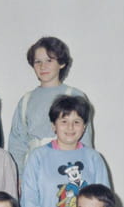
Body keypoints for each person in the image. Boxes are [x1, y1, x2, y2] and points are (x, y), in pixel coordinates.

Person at [21, 95, 110, 207]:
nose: (70, 127)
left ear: (84, 126)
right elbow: (29, 203)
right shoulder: (38, 157)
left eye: (76, 122)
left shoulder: (93, 158)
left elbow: (104, 205)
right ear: (53, 125)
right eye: (64, 121)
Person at [8, 36, 94, 175]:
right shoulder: (26, 100)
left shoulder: (75, 96)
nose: (43, 66)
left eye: (49, 60)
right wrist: (18, 176)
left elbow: (85, 142)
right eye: (38, 62)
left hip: (67, 167)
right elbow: (17, 144)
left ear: (61, 63)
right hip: (35, 170)